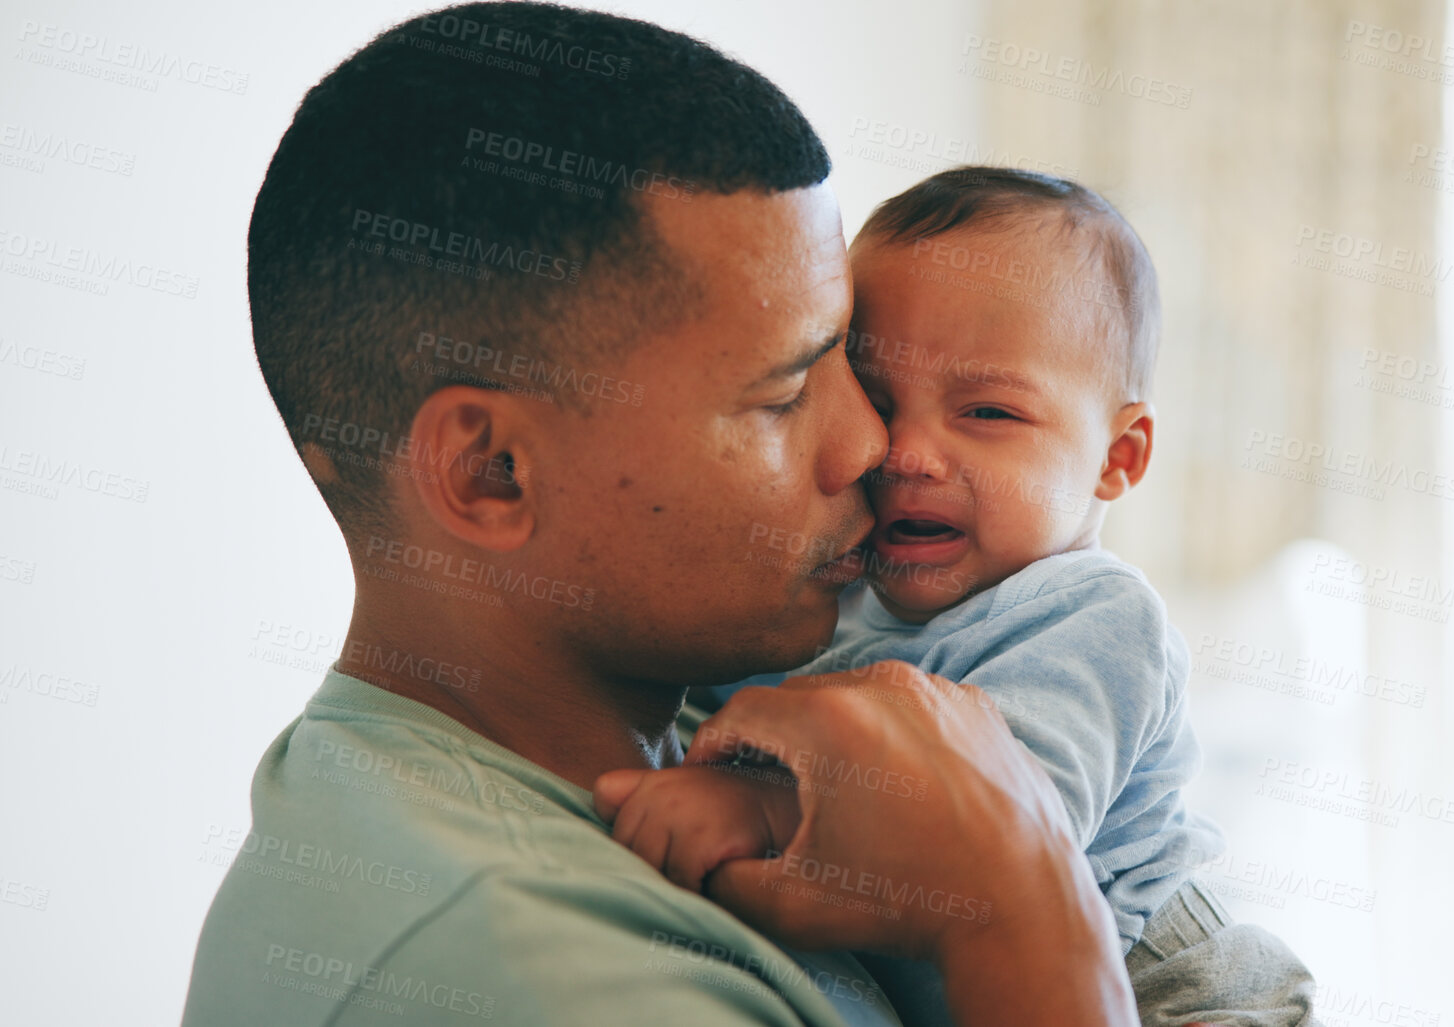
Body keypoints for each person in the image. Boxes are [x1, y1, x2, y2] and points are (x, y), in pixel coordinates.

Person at [181, 3, 1137, 1023]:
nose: (874, 448)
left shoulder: (672, 721)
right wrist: (1023, 906)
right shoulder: (545, 971)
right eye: (786, 392)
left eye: (846, 357)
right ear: (493, 472)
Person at [595, 167, 1316, 1026]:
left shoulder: (1091, 615)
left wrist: (762, 803)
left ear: (1116, 457)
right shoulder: (849, 584)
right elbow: (737, 694)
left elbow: (992, 811)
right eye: (879, 398)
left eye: (986, 413)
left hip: (1170, 986)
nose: (906, 452)